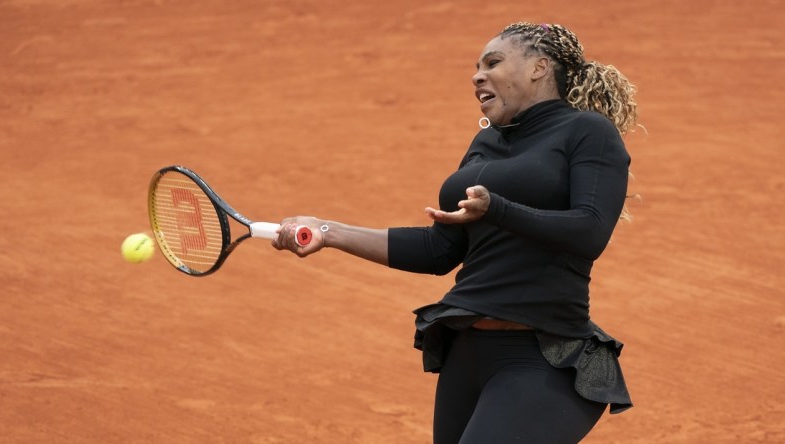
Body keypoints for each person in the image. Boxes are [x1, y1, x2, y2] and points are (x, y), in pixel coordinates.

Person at [273, 21, 637, 444]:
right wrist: (327, 230)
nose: (477, 75)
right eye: (475, 67)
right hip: (467, 356)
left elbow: (590, 231)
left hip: (542, 358)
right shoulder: (485, 145)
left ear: (539, 67)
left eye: (493, 62)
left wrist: (497, 208)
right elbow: (439, 249)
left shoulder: (587, 132)